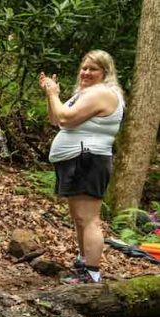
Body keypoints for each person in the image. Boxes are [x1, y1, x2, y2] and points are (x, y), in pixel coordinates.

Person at [40, 50, 125, 284]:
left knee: (89, 219)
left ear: (105, 73)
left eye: (93, 69)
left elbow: (66, 118)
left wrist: (54, 92)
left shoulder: (103, 94)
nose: (86, 72)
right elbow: (56, 119)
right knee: (79, 217)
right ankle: (83, 263)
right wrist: (51, 95)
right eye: (84, 68)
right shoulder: (85, 94)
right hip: (78, 159)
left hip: (88, 160)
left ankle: (92, 272)